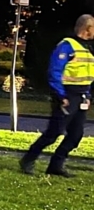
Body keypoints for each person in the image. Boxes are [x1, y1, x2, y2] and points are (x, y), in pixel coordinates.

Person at [19, 14, 94, 178]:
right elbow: (55, 71)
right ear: (87, 28)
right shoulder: (67, 46)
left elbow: (86, 75)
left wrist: (87, 96)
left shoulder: (87, 48)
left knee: (76, 135)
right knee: (53, 133)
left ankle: (56, 165)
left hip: (81, 97)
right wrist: (60, 96)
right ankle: (28, 159)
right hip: (67, 96)